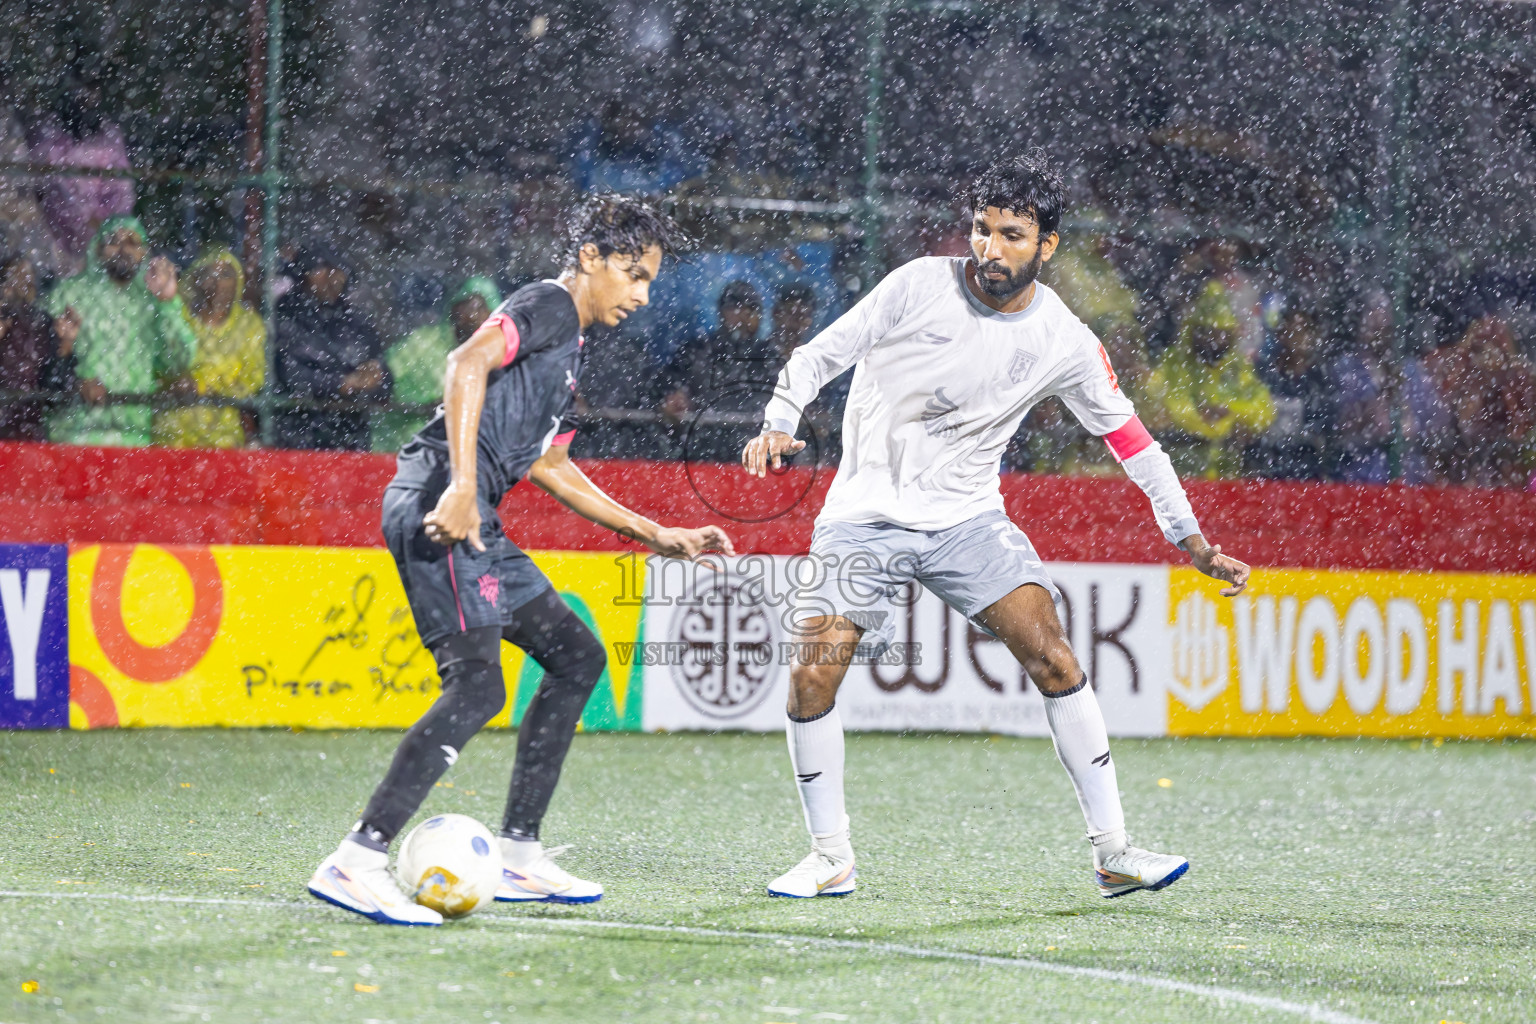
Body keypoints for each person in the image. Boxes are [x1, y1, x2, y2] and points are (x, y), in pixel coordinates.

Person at [741, 151, 1249, 901]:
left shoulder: (1066, 339)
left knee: (1053, 656)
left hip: (967, 520)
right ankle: (830, 857)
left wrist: (1190, 539)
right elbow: (820, 355)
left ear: (1047, 246)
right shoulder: (917, 284)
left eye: (1013, 234)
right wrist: (779, 422)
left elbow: (1133, 442)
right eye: (982, 230)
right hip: (863, 515)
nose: (991, 248)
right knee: (813, 670)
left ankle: (1113, 852)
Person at [308, 194, 734, 926]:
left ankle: (517, 856)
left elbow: (553, 465)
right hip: (444, 500)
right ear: (591, 260)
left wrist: (655, 533)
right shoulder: (549, 305)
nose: (641, 293)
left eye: (651, 282)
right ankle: (359, 858)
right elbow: (465, 359)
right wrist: (468, 485)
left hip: (475, 515)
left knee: (575, 656)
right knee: (477, 689)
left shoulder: (568, 353)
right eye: (632, 273)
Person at [43, 215, 196, 447]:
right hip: (73, 435)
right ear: (98, 249)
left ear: (144, 253)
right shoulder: (69, 293)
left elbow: (180, 360)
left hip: (132, 436)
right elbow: (42, 363)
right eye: (114, 241)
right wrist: (77, 377)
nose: (123, 249)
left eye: (133, 243)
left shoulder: (152, 299)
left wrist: (168, 303)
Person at [1145, 278, 1275, 478]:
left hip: (1227, 475)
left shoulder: (1238, 366)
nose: (1214, 340)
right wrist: (1211, 422)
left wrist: (1230, 413)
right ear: (1193, 330)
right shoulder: (1174, 362)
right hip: (1182, 468)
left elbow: (1264, 408)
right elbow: (1161, 402)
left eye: (1221, 334)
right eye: (1207, 332)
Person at [272, 243, 389, 451]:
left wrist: (375, 377)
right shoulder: (282, 317)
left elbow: (385, 382)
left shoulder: (357, 323)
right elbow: (289, 375)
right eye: (320, 269)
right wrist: (340, 383)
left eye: (338, 269)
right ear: (302, 274)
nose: (331, 277)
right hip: (297, 438)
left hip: (349, 439)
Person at [372, 277, 502, 454]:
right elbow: (381, 381)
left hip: (470, 455)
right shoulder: (422, 343)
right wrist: (426, 405)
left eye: (480, 307)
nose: (472, 315)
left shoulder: (502, 352)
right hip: (400, 446)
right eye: (466, 305)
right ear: (453, 308)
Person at [153, 246, 266, 449]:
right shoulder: (179, 318)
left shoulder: (249, 325)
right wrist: (174, 382)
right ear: (198, 280)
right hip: (172, 433)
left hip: (221, 435)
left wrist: (206, 387)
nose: (217, 282)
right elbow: (157, 364)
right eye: (209, 274)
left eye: (225, 274)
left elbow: (253, 378)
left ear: (238, 281)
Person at [29, 74, 136, 262]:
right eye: (84, 93)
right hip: (60, 239)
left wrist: (111, 225)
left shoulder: (110, 134)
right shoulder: (48, 134)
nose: (90, 101)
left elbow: (124, 189)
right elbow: (54, 191)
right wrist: (88, 221)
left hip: (108, 236)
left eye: (95, 93)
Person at [0, 254, 74, 440]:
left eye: (29, 277)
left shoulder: (44, 324)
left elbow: (55, 396)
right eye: (17, 276)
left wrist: (64, 348)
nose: (27, 283)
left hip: (29, 434)